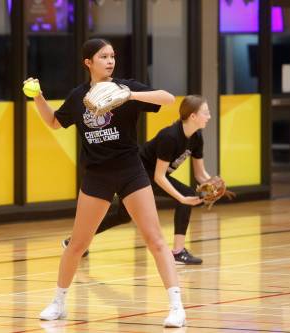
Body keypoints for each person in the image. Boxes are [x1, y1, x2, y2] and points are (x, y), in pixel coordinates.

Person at [27, 38, 186, 328]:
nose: (110, 61)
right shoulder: (78, 97)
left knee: (155, 239)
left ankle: (176, 306)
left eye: (112, 56)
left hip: (130, 172)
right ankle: (58, 302)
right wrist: (37, 96)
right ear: (88, 63)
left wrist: (130, 96)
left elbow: (168, 99)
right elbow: (54, 122)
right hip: (97, 175)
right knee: (77, 243)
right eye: (103, 57)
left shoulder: (126, 87)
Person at [64, 95, 213, 265]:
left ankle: (74, 241)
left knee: (122, 216)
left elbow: (200, 174)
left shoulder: (197, 137)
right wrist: (182, 198)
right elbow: (159, 177)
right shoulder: (170, 137)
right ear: (193, 116)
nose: (209, 116)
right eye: (206, 113)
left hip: (151, 175)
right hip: (138, 172)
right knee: (185, 194)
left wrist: (212, 183)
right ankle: (178, 252)